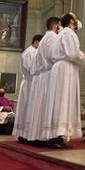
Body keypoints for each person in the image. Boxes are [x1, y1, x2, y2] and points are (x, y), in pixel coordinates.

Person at [40, 12, 85, 147]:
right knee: (64, 100)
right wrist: (83, 55)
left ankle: (55, 135)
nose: (77, 22)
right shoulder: (68, 34)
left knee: (58, 101)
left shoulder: (60, 34)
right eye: (75, 19)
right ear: (71, 21)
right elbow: (72, 53)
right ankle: (59, 135)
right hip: (65, 69)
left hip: (59, 68)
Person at [26, 17, 61, 145]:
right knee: (49, 106)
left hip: (43, 76)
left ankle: (40, 135)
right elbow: (54, 56)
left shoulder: (45, 38)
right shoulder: (52, 38)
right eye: (59, 25)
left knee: (42, 107)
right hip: (49, 75)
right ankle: (49, 137)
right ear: (56, 25)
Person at [13, 33, 43, 142]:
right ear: (36, 42)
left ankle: (25, 134)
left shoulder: (30, 51)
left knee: (27, 108)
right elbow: (32, 69)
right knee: (28, 108)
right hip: (30, 83)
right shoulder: (31, 52)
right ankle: (25, 134)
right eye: (42, 43)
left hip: (30, 82)